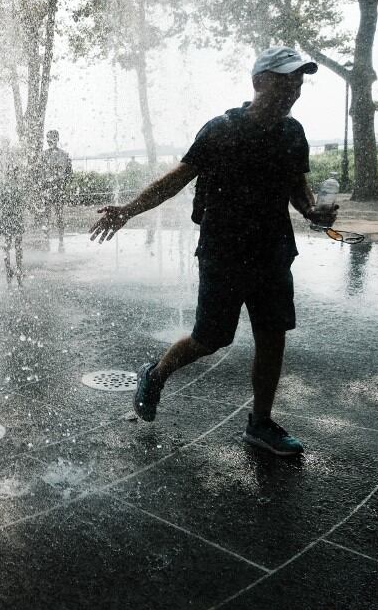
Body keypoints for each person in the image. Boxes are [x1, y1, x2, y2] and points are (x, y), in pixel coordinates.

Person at [89, 46, 338, 457]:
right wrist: (128, 210)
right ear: (259, 82)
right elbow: (178, 178)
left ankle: (260, 424)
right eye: (285, 79)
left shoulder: (293, 134)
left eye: (299, 81)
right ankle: (155, 373)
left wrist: (314, 210)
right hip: (223, 252)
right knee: (211, 338)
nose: (294, 88)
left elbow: (298, 188)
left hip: (274, 251)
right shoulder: (221, 129)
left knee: (272, 336)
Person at [42, 129, 72, 251]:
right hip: (48, 189)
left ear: (57, 139)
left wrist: (64, 184)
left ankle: (61, 239)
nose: (50, 141)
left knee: (59, 215)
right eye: (48, 138)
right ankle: (47, 239)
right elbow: (39, 173)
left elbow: (69, 174)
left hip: (59, 189)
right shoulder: (43, 155)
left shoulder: (64, 155)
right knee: (47, 215)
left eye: (53, 138)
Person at [0, 162, 26, 286]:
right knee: (18, 246)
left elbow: (0, 203)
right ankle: (19, 269)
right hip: (17, 219)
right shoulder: (19, 188)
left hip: (6, 219)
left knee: (7, 245)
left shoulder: (4, 187)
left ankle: (8, 269)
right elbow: (22, 204)